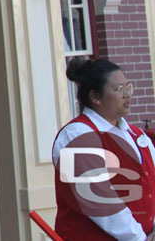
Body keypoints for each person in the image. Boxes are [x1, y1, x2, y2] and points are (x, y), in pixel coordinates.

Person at [52, 57, 155, 240]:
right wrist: (139, 238)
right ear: (95, 97)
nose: (127, 94)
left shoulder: (137, 135)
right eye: (118, 89)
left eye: (127, 87)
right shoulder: (76, 136)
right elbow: (101, 204)